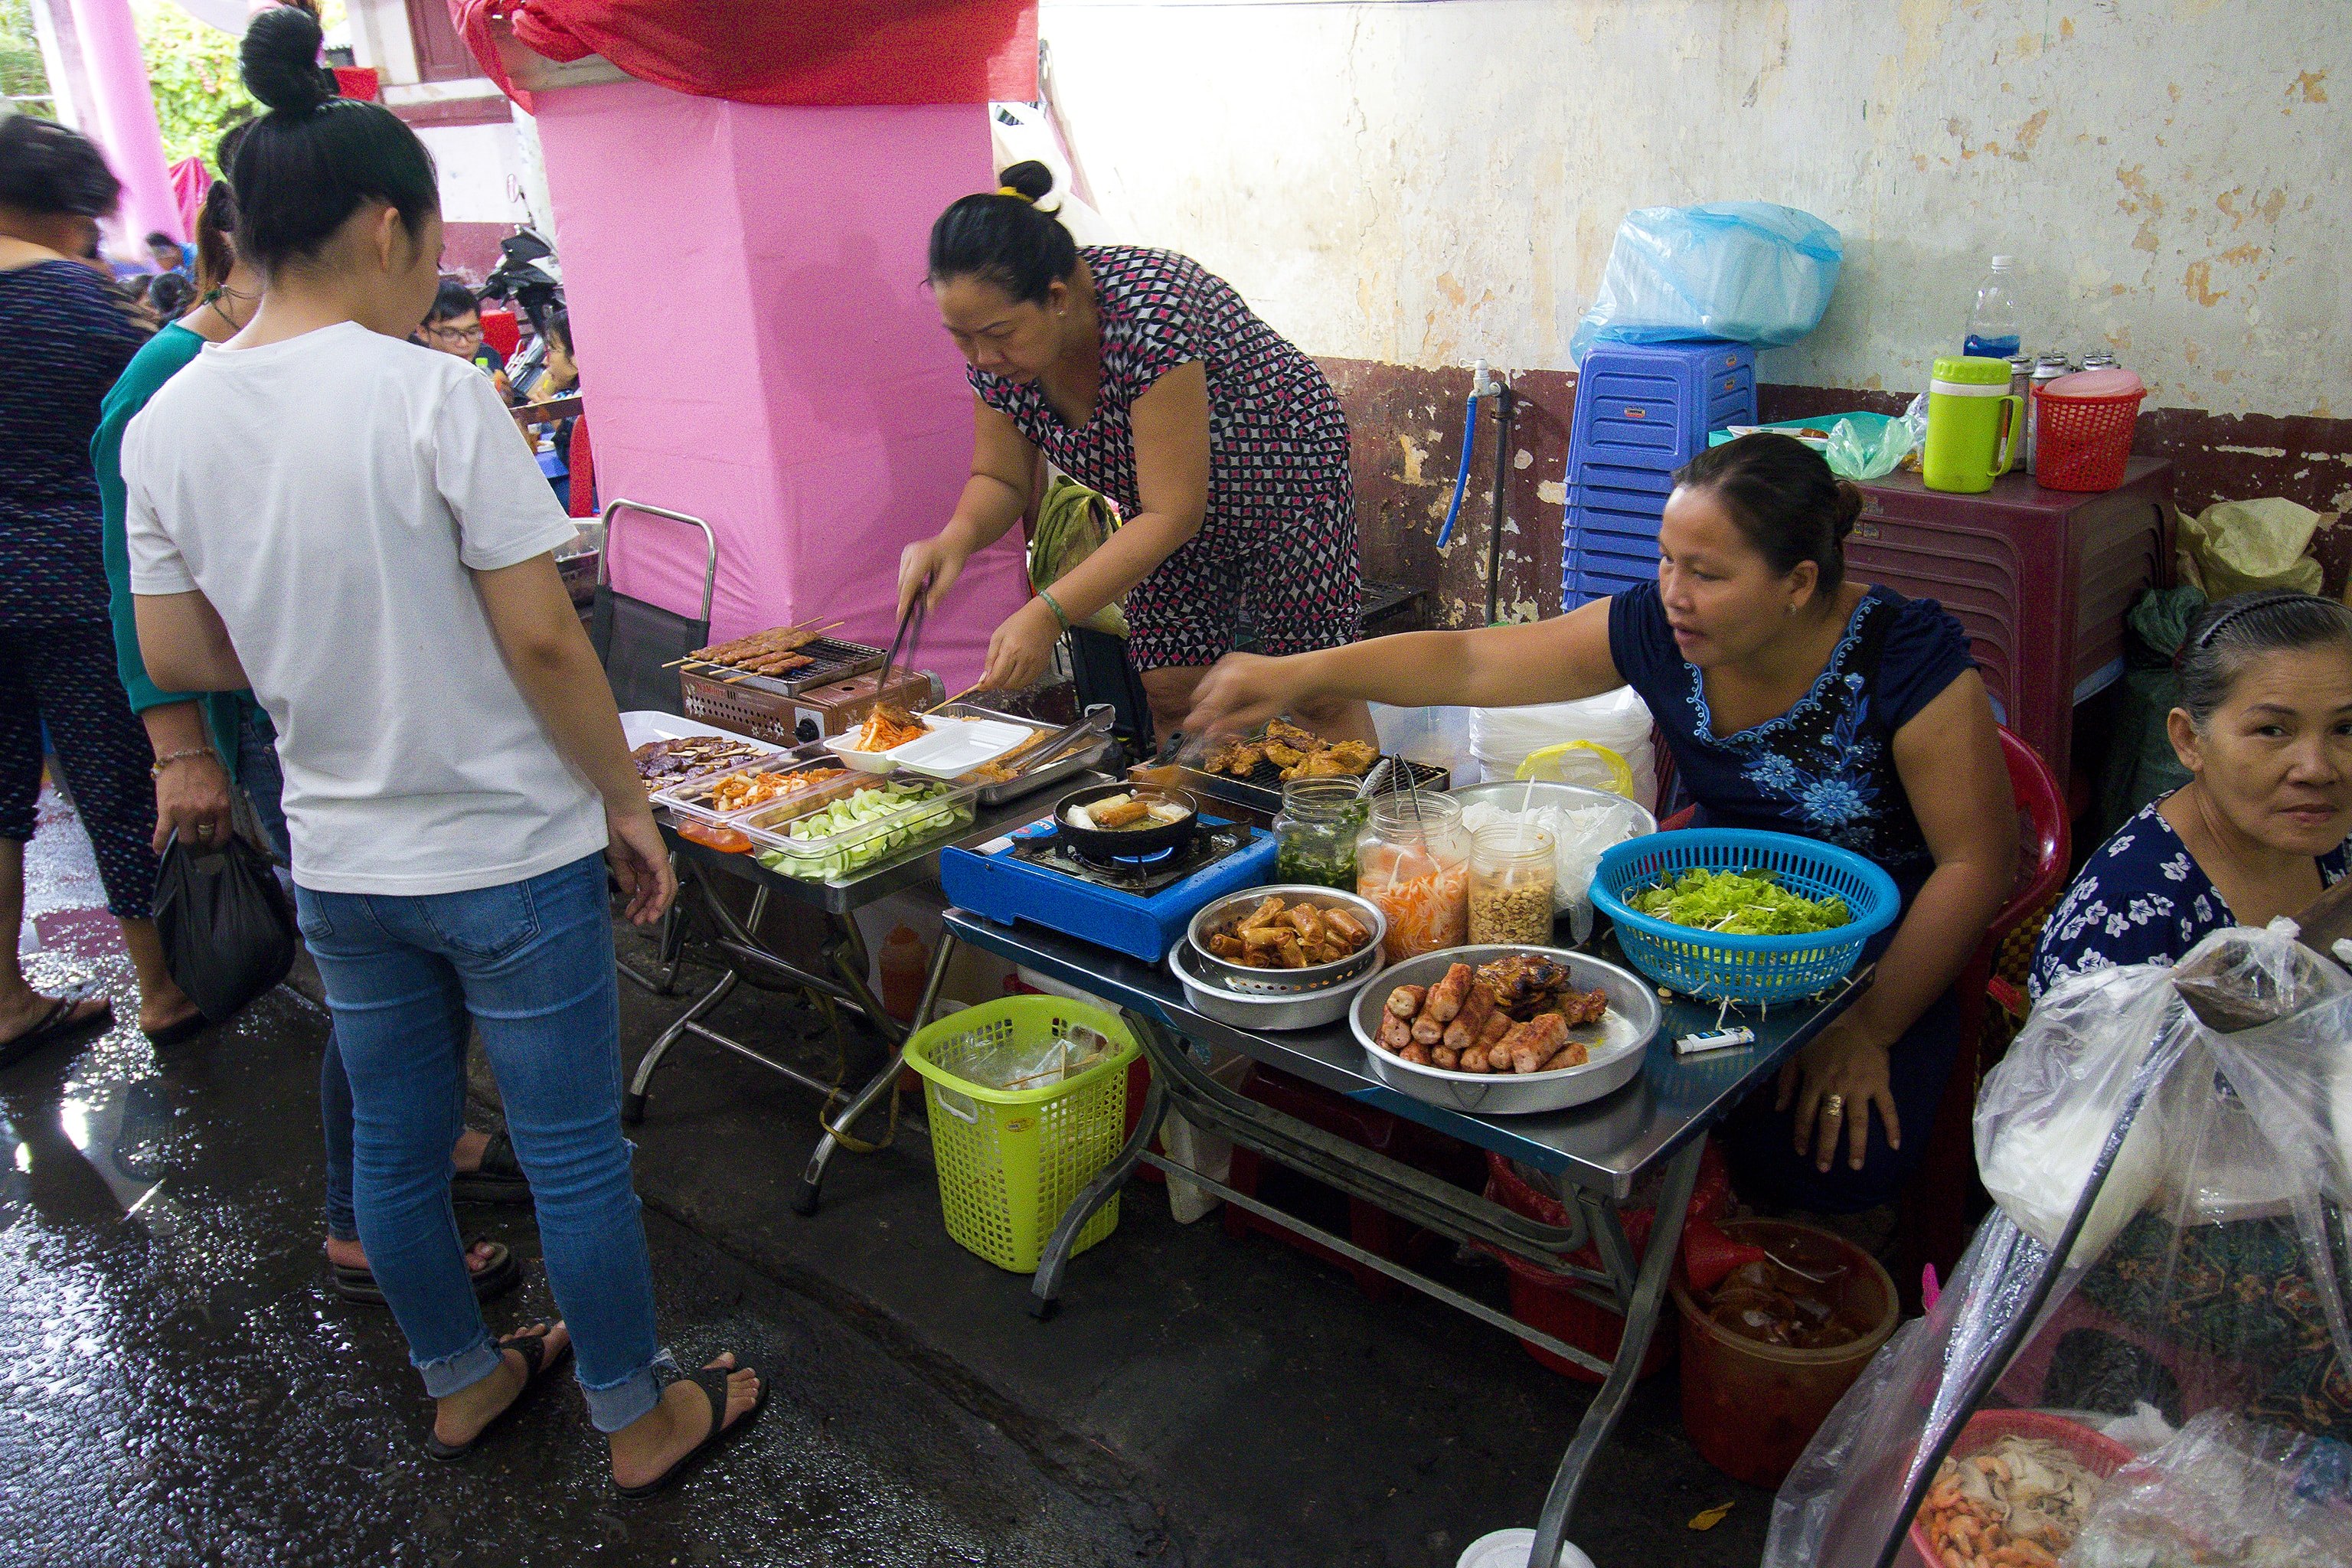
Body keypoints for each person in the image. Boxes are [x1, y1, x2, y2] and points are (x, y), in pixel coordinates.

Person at [121, 8, 761, 1488]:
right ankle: (636, 1414)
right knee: (572, 1152)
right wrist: (629, 803)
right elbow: (545, 639)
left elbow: (172, 655)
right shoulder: (430, 396)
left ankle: (464, 1381)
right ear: (393, 224)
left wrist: (305, 653)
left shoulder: (169, 421)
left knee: (398, 1153)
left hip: (343, 858)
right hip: (508, 854)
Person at [1189, 433, 2019, 1215]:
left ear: (1799, 582)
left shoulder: (1905, 659)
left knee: (1824, 1161)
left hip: (1872, 954)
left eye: (1707, 573)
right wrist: (1300, 672)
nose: (1673, 593)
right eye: (1664, 561)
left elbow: (1977, 861)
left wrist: (1869, 1027)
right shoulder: (1661, 629)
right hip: (1698, 915)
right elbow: (1473, 662)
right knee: (1582, 1081)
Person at [92, 171, 529, 1307]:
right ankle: (363, 1217)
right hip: (289, 731)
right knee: (381, 1004)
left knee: (398, 1000)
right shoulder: (176, 382)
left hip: (324, 727)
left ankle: (407, 1182)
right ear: (371, 236)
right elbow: (145, 605)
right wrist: (178, 747)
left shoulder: (304, 366)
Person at [898, 161, 1373, 744]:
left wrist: (1048, 612)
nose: (980, 358)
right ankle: (1212, 831)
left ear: (1056, 298)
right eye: (960, 338)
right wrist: (955, 539)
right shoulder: (1000, 358)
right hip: (1161, 508)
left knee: (1317, 691)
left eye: (996, 335)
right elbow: (1000, 478)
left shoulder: (1150, 312)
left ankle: (1351, 824)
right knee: (1175, 691)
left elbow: (1175, 512)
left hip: (1285, 475)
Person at [2030, 590, 2352, 1440]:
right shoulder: (2131, 909)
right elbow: (2081, 1140)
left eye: (2347, 728)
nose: (2317, 764)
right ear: (2188, 741)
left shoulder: (2330, 848)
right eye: (2273, 729)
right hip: (2156, 1222)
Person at [0, 114, 207, 1064]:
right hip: (70, 579)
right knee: (118, 785)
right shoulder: (83, 308)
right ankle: (160, 987)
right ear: (59, 208)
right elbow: (155, 438)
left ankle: (6, 997)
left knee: (4, 793)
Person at [419, 276, 505, 376]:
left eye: (472, 332)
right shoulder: (413, 370)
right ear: (423, 333)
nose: (464, 344)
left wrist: (505, 391)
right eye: (450, 334)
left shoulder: (488, 356)